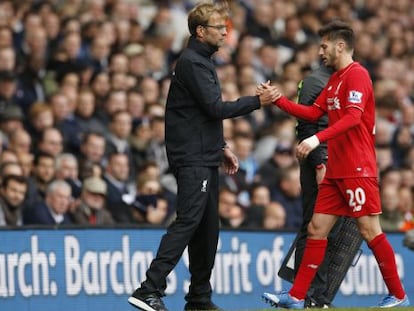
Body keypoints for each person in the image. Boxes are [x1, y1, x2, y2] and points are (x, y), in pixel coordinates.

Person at [128, 2, 277, 311]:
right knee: (188, 222)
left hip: (204, 155)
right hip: (193, 158)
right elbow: (214, 108)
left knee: (208, 230)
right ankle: (149, 289)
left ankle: (199, 298)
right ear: (200, 31)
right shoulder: (193, 62)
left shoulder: (202, 61)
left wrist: (220, 147)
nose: (225, 31)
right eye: (219, 27)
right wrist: (257, 102)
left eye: (226, 27)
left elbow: (198, 114)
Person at [261, 20, 409, 308]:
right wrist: (278, 100)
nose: (320, 52)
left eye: (324, 45)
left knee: (370, 231)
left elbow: (353, 118)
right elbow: (312, 112)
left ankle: (399, 295)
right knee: (317, 229)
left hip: (356, 168)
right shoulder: (334, 80)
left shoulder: (358, 76)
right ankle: (296, 296)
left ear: (340, 46)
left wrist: (316, 141)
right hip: (337, 170)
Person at [277, 63, 363, 308]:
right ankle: (310, 295)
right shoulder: (317, 81)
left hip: (343, 163)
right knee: (316, 228)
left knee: (331, 232)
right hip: (323, 162)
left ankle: (317, 296)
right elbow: (307, 125)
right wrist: (319, 164)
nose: (322, 52)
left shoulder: (347, 81)